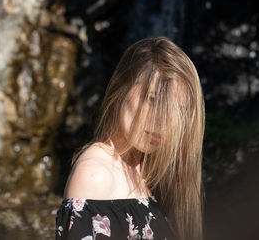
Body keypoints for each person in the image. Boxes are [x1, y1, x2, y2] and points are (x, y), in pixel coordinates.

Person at [55, 36, 205, 240]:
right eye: (152, 100)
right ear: (121, 88)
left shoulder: (146, 172)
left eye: (175, 111)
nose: (162, 121)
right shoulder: (96, 175)